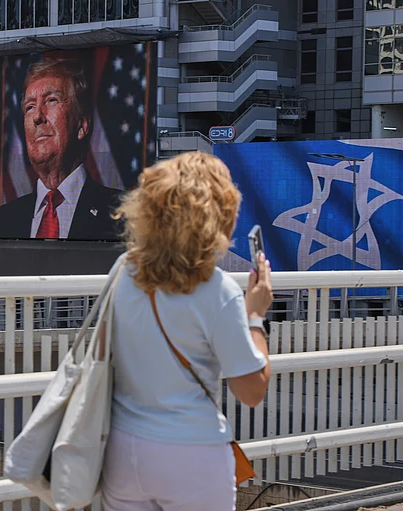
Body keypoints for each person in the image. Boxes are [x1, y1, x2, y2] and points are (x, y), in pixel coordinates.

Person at [102, 152, 273, 511]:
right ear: (219, 216)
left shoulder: (122, 270)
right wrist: (255, 315)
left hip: (121, 451)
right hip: (192, 455)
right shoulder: (218, 289)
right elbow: (251, 390)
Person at [0, 58, 121, 241]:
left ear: (82, 126)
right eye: (30, 107)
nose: (37, 116)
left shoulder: (125, 216)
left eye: (51, 100)